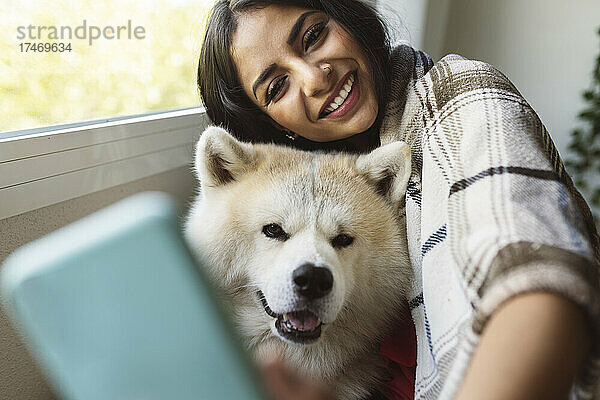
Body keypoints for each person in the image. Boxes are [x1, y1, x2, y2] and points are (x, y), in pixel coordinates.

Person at [197, 1, 600, 399]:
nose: (314, 78)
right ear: (271, 122)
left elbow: (538, 283)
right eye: (277, 86)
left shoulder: (463, 100)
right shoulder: (337, 168)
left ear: (347, 15)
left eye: (314, 35)